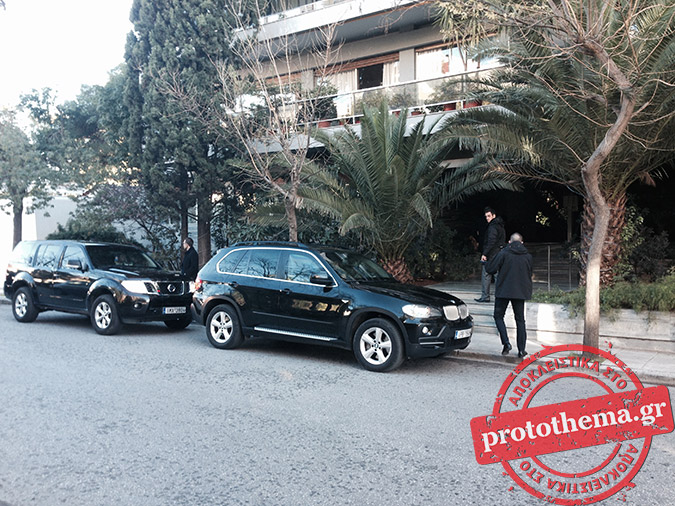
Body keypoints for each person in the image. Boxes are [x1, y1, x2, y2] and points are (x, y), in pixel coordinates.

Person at [486, 233, 533, 358]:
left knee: (498, 316)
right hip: (520, 292)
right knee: (520, 320)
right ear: (522, 242)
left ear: (509, 242)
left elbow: (491, 269)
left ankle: (506, 343)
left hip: (504, 291)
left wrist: (485, 262)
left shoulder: (503, 253)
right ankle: (522, 350)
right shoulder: (528, 256)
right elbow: (529, 273)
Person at [475, 207, 505, 302]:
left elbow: (491, 241)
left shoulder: (492, 227)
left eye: (489, 216)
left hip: (492, 254)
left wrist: (484, 254)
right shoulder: (500, 226)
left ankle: (485, 296)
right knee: (497, 275)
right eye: (486, 216)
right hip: (499, 253)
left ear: (494, 216)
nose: (487, 218)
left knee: (486, 274)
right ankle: (500, 296)